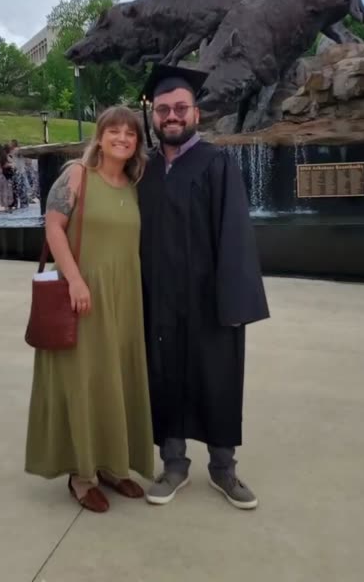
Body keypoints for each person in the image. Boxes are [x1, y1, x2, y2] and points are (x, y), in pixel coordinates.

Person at [136, 64, 270, 510]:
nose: (171, 116)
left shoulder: (216, 163)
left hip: (211, 300)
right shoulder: (145, 170)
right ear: (153, 115)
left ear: (196, 113)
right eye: (163, 110)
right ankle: (173, 465)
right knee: (164, 377)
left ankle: (223, 468)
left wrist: (234, 300)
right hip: (159, 300)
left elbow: (236, 235)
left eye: (180, 108)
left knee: (218, 378)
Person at [25, 105, 154, 514]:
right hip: (82, 295)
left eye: (130, 133)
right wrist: (76, 279)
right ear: (100, 136)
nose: (122, 138)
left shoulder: (135, 184)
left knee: (114, 378)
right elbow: (53, 227)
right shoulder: (77, 175)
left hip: (125, 297)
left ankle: (112, 465)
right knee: (84, 379)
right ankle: (81, 476)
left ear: (137, 142)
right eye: (114, 131)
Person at [0, 143, 16, 212]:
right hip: (3, 176)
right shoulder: (3, 157)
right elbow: (9, 164)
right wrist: (11, 165)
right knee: (4, 192)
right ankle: (6, 207)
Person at [10, 139, 32, 208]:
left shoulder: (16, 150)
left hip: (19, 172)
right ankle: (24, 203)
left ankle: (23, 203)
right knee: (22, 189)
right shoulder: (18, 151)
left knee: (20, 189)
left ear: (13, 144)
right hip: (20, 171)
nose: (10, 145)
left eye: (10, 143)